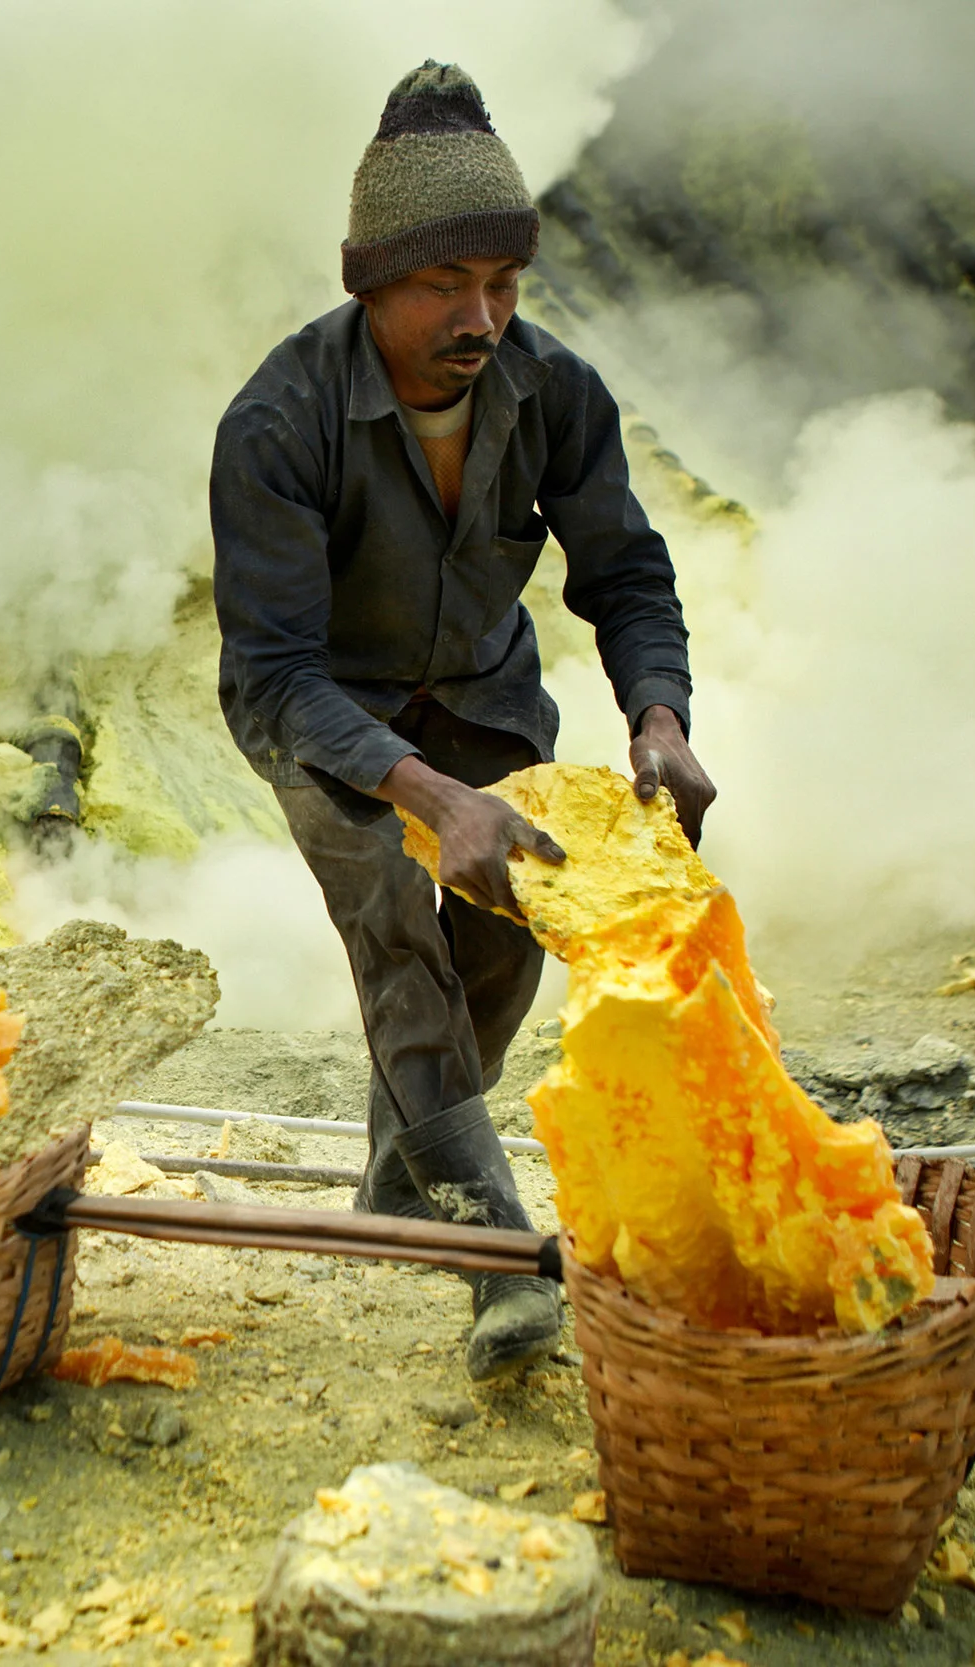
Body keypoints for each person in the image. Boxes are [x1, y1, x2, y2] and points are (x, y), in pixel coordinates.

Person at [210, 63, 717, 1381]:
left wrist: (658, 713)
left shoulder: (557, 396)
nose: (481, 316)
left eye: (504, 283)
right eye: (447, 285)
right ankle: (494, 1248)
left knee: (501, 947)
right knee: (401, 939)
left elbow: (629, 577)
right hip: (332, 720)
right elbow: (270, 670)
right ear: (366, 280)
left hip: (488, 698)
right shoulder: (277, 423)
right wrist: (430, 799)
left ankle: (394, 1197)